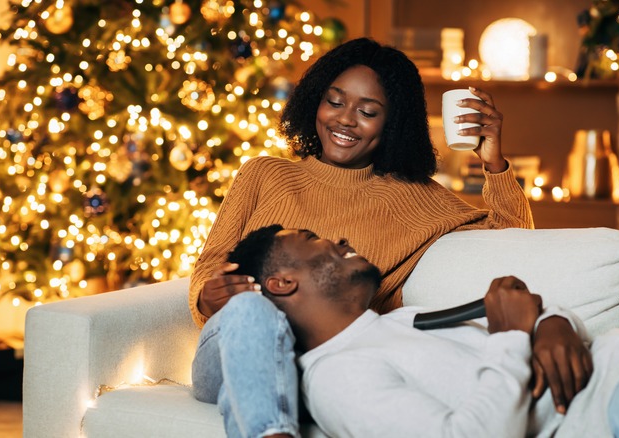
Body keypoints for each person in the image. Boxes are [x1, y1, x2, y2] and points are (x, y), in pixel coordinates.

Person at [223, 160, 619, 437]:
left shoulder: (404, 317)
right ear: (281, 283)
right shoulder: (336, 378)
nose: (341, 242)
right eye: (318, 244)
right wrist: (513, 336)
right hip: (614, 406)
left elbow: (531, 311)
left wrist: (553, 323)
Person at [190, 37, 534, 435]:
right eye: (334, 102)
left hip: (324, 363)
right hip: (233, 348)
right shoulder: (264, 174)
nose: (345, 120)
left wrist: (493, 162)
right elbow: (211, 260)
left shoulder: (415, 198)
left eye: (368, 111)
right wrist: (206, 294)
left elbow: (512, 240)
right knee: (254, 311)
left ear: (393, 123)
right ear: (314, 101)